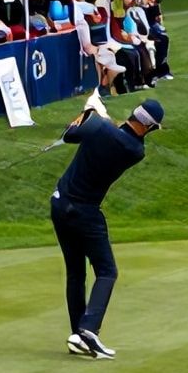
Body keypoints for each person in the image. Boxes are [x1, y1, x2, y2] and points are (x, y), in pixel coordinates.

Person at [50, 97, 164, 359]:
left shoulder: (103, 130)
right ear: (150, 127)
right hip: (85, 213)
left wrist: (89, 113)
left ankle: (78, 335)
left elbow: (70, 134)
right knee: (107, 271)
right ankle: (87, 332)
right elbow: (116, 135)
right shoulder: (136, 150)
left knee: (76, 272)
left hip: (60, 204)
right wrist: (98, 117)